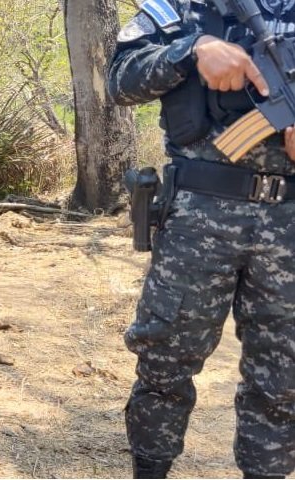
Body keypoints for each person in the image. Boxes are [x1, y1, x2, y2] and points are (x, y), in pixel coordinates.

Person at [109, 0, 295, 478]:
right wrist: (193, 49)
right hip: (199, 218)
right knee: (164, 359)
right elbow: (120, 80)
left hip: (290, 224)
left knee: (284, 376)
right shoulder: (180, 9)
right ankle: (149, 469)